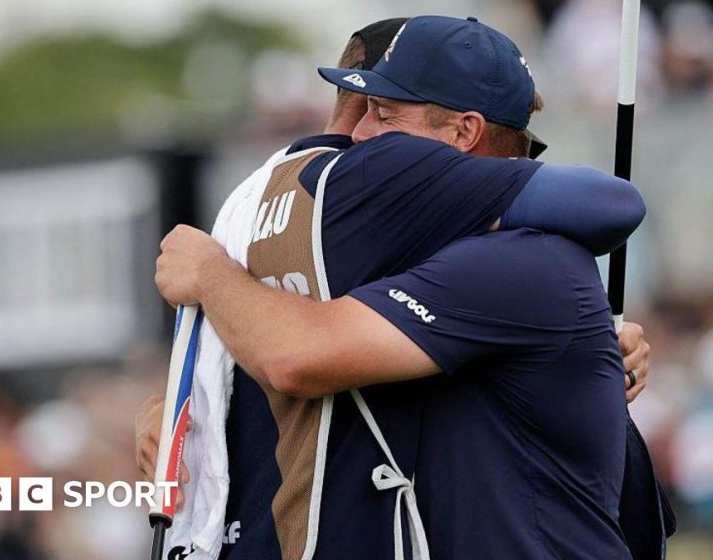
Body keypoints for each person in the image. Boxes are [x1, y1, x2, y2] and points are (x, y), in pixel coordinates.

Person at [142, 16, 655, 560]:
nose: (359, 136)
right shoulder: (421, 258)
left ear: (464, 132)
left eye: (385, 116)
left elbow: (296, 355)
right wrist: (178, 413)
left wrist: (212, 273)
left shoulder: (525, 262)